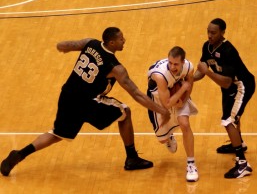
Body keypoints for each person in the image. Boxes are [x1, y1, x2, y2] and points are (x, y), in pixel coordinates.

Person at [1, 27, 170, 176]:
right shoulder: (116, 68)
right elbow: (137, 94)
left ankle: (19, 154)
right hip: (87, 102)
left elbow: (65, 45)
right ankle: (132, 158)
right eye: (120, 39)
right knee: (125, 112)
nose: (124, 40)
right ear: (111, 43)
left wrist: (61, 47)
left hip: (67, 94)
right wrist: (161, 110)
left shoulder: (91, 43)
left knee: (57, 133)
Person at [193, 18, 255, 179]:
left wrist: (208, 72)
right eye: (208, 31)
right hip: (229, 88)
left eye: (213, 33)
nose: (209, 35)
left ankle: (242, 164)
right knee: (232, 116)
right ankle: (238, 143)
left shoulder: (229, 51)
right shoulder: (207, 47)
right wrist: (188, 79)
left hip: (241, 86)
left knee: (229, 120)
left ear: (222, 33)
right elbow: (201, 69)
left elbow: (226, 82)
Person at [147, 46, 199, 182]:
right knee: (161, 139)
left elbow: (190, 83)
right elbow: (167, 103)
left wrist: (184, 100)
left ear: (183, 62)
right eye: (170, 63)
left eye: (176, 64)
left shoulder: (189, 67)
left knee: (185, 124)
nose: (172, 66)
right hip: (158, 99)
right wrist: (182, 89)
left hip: (176, 94)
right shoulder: (160, 76)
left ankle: (191, 164)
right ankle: (169, 136)